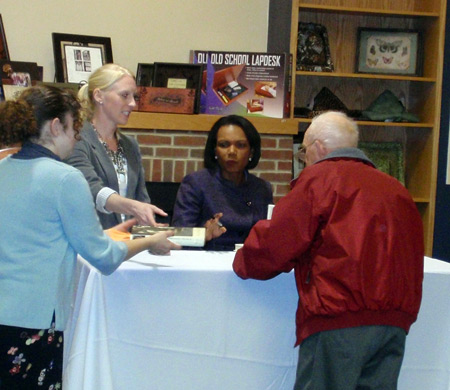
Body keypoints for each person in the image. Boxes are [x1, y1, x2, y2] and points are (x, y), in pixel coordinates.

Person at [0, 85, 180, 389]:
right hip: (36, 320)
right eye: (75, 127)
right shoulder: (66, 178)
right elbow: (104, 258)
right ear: (57, 126)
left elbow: (48, 234)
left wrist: (110, 233)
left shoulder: (4, 168)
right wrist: (151, 239)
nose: (77, 136)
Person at [233, 111, 424, 390]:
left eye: (304, 152)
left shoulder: (319, 181)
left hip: (337, 318)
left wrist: (242, 260)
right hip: (394, 322)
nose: (305, 160)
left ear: (318, 148)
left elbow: (276, 244)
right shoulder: (397, 190)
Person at [65, 63, 166, 229]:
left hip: (125, 244)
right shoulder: (77, 139)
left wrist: (150, 232)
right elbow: (90, 189)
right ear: (99, 96)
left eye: (134, 96)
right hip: (88, 245)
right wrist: (134, 207)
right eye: (124, 95)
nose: (133, 103)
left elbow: (141, 199)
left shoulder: (130, 145)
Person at [172, 115, 273, 251]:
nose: (232, 152)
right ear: (215, 150)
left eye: (240, 145)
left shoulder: (262, 188)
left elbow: (267, 238)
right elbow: (178, 235)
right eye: (224, 145)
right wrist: (203, 235)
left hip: (248, 263)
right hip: (205, 263)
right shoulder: (196, 183)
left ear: (251, 152)